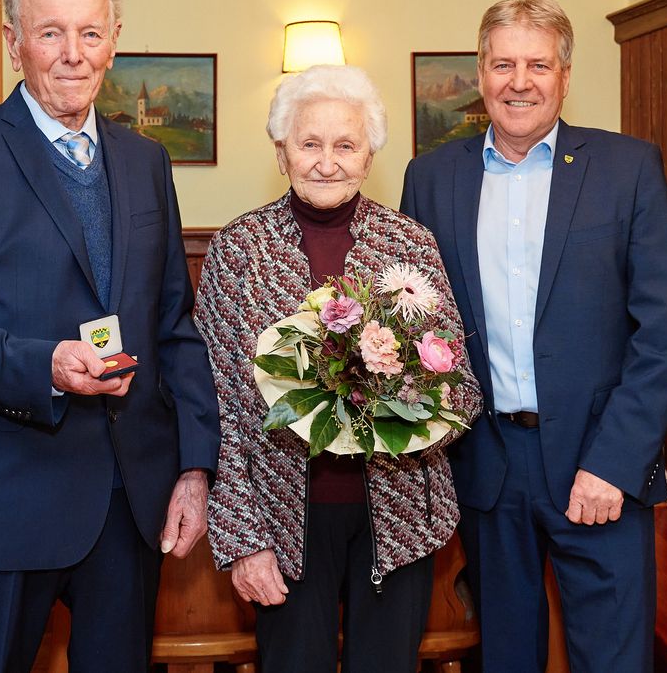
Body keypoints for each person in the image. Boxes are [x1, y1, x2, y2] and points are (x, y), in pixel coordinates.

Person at [0, 0, 220, 673]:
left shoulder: (144, 160)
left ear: (115, 40)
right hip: (0, 498)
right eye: (51, 34)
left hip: (127, 506)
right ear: (14, 43)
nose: (74, 54)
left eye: (91, 34)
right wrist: (43, 366)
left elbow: (173, 325)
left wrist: (194, 468)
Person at [400, 0, 667, 672]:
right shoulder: (431, 178)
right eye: (503, 64)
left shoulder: (627, 169)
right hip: (488, 465)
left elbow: (663, 334)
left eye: (537, 64)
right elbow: (415, 323)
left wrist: (613, 463)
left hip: (600, 464)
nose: (518, 81)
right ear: (480, 73)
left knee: (614, 658)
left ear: (563, 75)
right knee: (504, 655)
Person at [194, 64, 482, 673]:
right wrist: (243, 538)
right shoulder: (238, 250)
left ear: (369, 154)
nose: (327, 162)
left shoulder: (410, 243)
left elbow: (458, 383)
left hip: (400, 512)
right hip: (280, 515)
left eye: (346, 145)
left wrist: (403, 387)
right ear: (281, 152)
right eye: (310, 143)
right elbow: (219, 406)